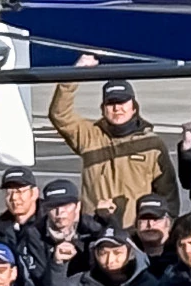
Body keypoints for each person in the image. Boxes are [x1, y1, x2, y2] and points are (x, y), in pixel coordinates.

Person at [49, 57, 182, 224]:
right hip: (94, 228)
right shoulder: (89, 136)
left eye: (122, 102)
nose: (117, 108)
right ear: (103, 109)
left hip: (135, 232)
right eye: (111, 103)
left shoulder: (152, 144)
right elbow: (59, 115)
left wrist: (165, 227)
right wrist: (74, 74)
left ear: (134, 107)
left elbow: (167, 192)